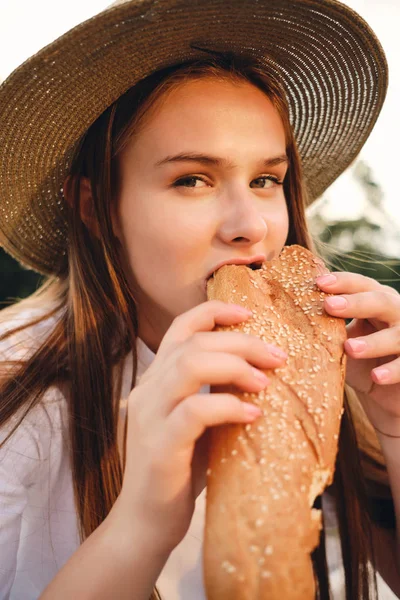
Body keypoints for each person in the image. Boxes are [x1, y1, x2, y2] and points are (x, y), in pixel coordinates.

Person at [0, 0, 399, 598]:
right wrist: (140, 526)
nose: (250, 226)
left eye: (267, 180)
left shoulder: (318, 375)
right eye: (192, 179)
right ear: (97, 208)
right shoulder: (19, 413)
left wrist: (393, 432)